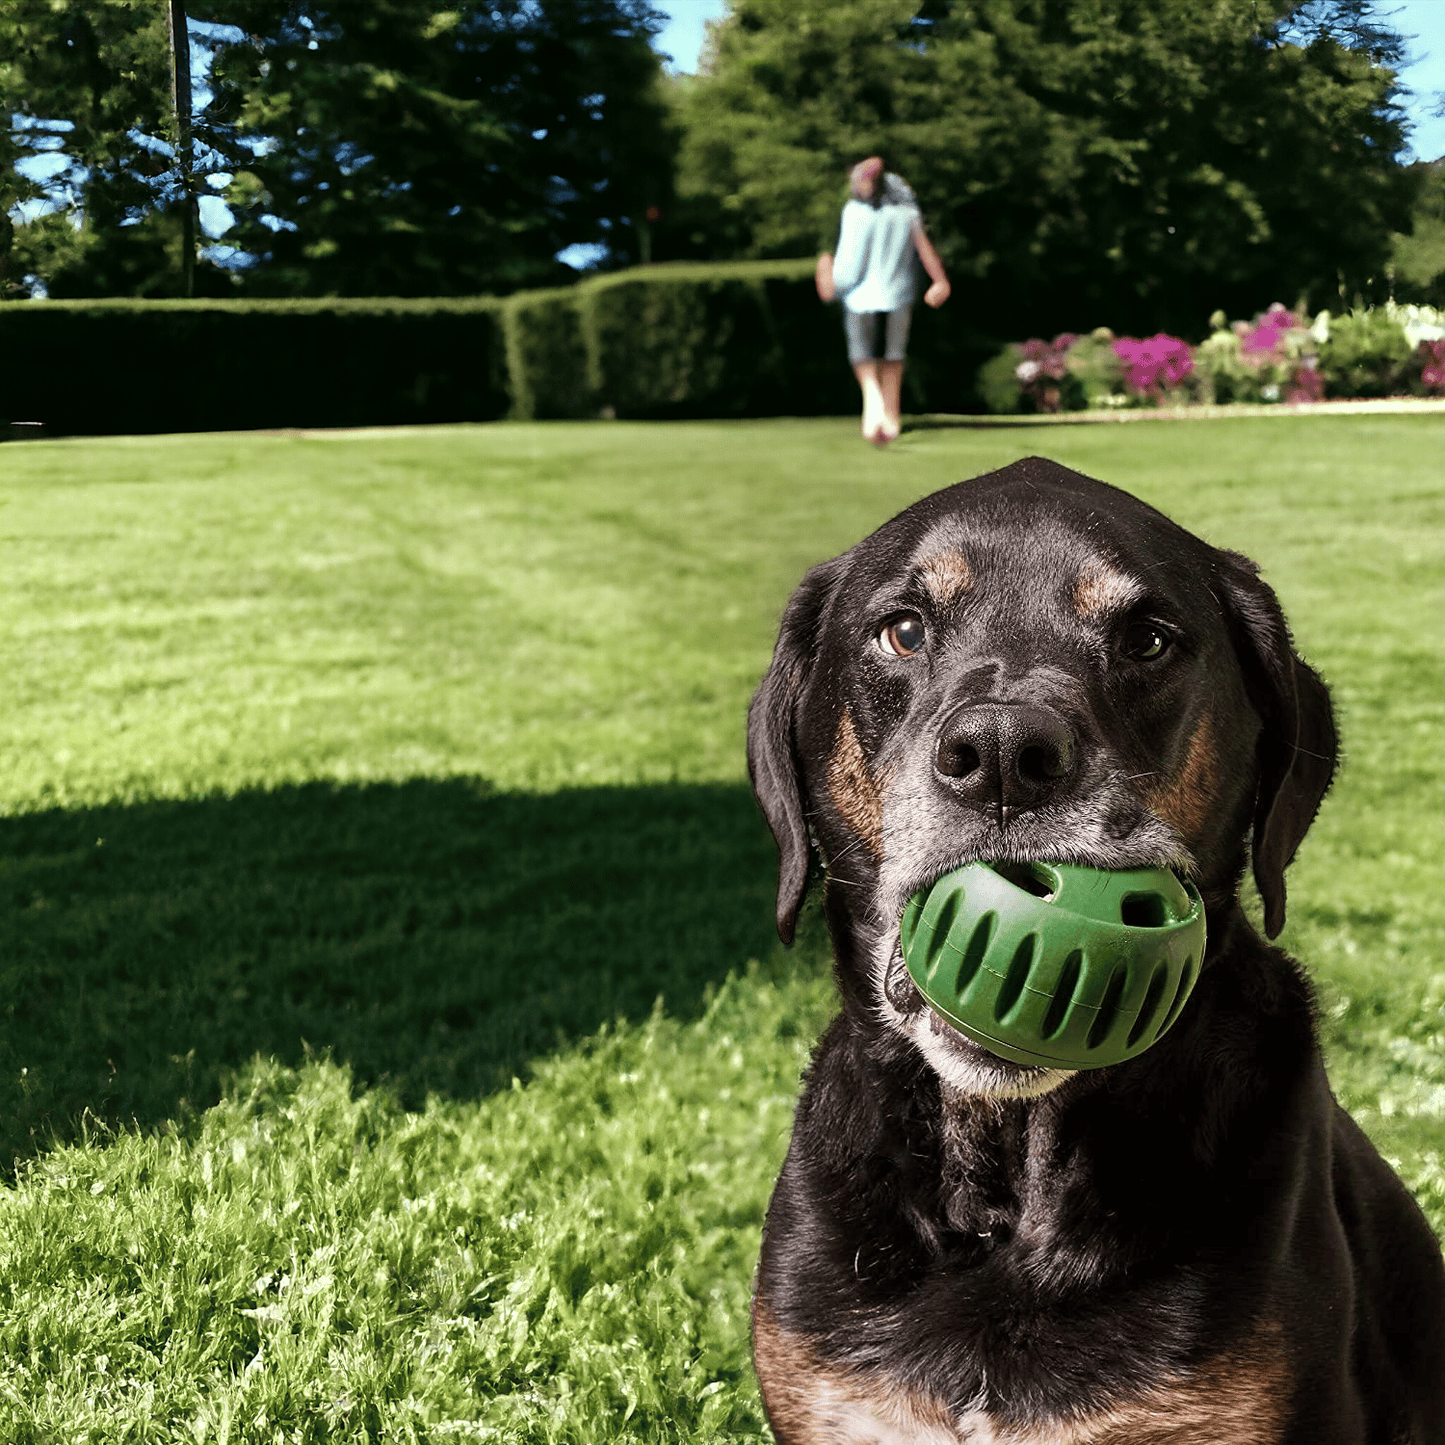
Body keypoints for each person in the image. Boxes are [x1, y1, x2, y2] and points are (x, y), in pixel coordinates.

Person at [815, 156, 950, 445]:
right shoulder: (907, 214)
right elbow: (924, 250)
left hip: (859, 299)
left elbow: (848, 267)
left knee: (861, 355)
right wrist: (940, 281)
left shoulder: (855, 213)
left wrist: (832, 282)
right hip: (898, 296)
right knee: (893, 355)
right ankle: (891, 419)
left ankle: (874, 405)